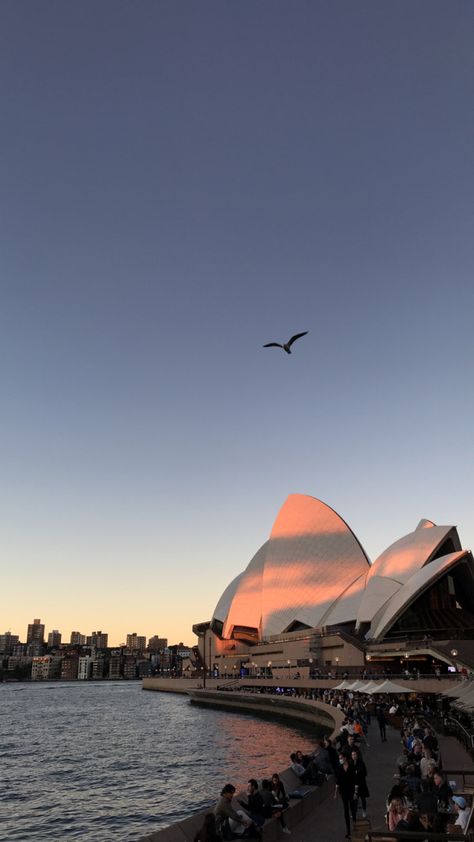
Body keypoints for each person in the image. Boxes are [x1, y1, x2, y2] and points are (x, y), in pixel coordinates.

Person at [334, 755, 357, 838]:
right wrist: (336, 793)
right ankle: (348, 831)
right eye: (339, 758)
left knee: (352, 808)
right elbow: (338, 781)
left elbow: (355, 780)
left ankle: (354, 822)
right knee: (346, 810)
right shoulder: (339, 768)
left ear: (345, 758)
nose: (340, 759)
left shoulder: (351, 767)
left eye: (341, 758)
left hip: (351, 791)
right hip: (343, 792)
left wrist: (355, 792)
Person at [351, 749, 369, 818]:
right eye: (352, 755)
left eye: (355, 755)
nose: (354, 756)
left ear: (357, 755)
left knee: (363, 798)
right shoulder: (350, 763)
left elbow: (364, 773)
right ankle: (354, 812)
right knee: (355, 799)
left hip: (361, 783)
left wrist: (356, 773)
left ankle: (364, 811)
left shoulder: (361, 763)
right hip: (354, 784)